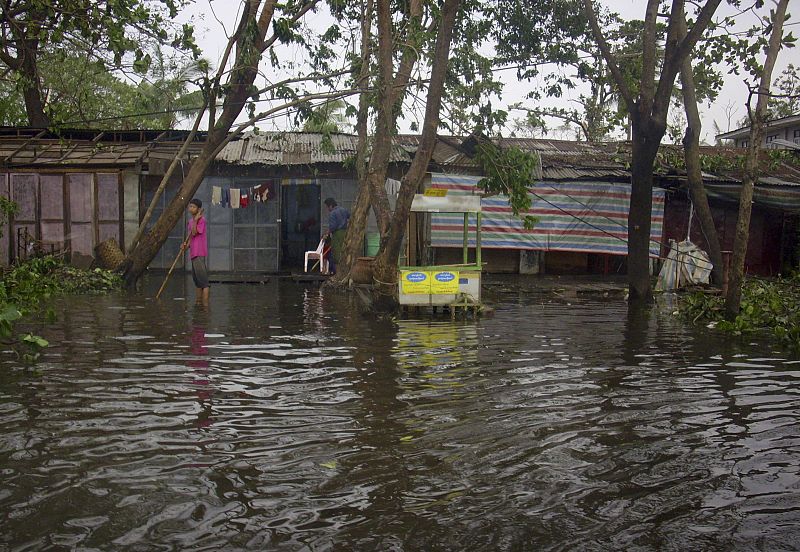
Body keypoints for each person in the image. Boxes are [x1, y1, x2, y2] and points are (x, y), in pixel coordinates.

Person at [182, 198, 209, 304]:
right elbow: (190, 239)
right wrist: (185, 246)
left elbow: (194, 232)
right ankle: (198, 303)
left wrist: (196, 220)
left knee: (204, 282)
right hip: (193, 253)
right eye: (190, 206)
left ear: (198, 209)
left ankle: (205, 305)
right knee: (197, 282)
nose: (191, 208)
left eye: (193, 207)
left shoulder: (202, 220)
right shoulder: (190, 222)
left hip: (199, 253)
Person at [324, 197, 350, 274]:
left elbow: (333, 227)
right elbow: (350, 216)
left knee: (336, 252)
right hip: (345, 233)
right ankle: (345, 271)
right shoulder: (344, 210)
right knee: (344, 250)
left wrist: (327, 233)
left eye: (327, 207)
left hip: (337, 234)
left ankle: (338, 272)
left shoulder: (333, 213)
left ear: (331, 205)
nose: (327, 209)